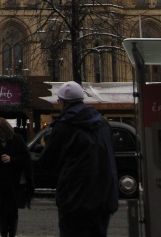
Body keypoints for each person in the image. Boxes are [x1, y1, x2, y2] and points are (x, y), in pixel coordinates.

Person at [39, 80, 118, 237]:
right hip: (103, 199)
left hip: (75, 201)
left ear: (62, 102)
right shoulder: (102, 124)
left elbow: (48, 163)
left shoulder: (65, 126)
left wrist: (47, 143)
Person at [0, 117, 34, 237]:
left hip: (13, 183)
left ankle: (12, 234)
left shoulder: (17, 139)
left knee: (13, 212)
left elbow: (25, 157)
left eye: (1, 132)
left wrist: (12, 159)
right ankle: (4, 234)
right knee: (1, 213)